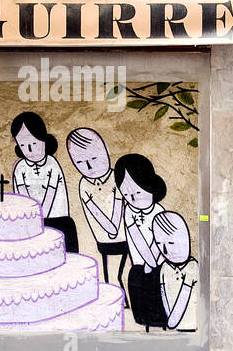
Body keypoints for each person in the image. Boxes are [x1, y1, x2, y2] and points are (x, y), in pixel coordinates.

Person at [66, 127, 127, 288]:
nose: (89, 166)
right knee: (110, 277)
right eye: (80, 162)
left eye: (94, 158)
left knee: (124, 274)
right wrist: (111, 229)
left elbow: (118, 209)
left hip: (125, 237)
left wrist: (113, 229)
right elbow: (96, 214)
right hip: (103, 240)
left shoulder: (116, 177)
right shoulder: (84, 185)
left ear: (106, 151)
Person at [115, 153, 169, 330]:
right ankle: (143, 323)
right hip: (139, 264)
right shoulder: (129, 212)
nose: (132, 198)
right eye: (126, 193)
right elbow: (135, 237)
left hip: (158, 265)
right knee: (139, 293)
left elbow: (159, 240)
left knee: (157, 296)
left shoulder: (158, 211)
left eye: (137, 192)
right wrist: (145, 263)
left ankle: (160, 323)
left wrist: (151, 262)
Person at [11, 111, 78, 253]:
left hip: (57, 220)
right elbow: (24, 198)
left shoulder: (52, 163)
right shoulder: (20, 167)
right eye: (23, 144)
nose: (29, 149)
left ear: (43, 139)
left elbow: (50, 194)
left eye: (34, 142)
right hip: (32, 221)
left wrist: (41, 223)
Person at [152, 211, 197, 331]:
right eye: (159, 244)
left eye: (171, 243)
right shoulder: (164, 267)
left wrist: (171, 323)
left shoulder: (192, 267)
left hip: (191, 325)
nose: (165, 251)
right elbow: (165, 299)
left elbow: (182, 300)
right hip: (176, 328)